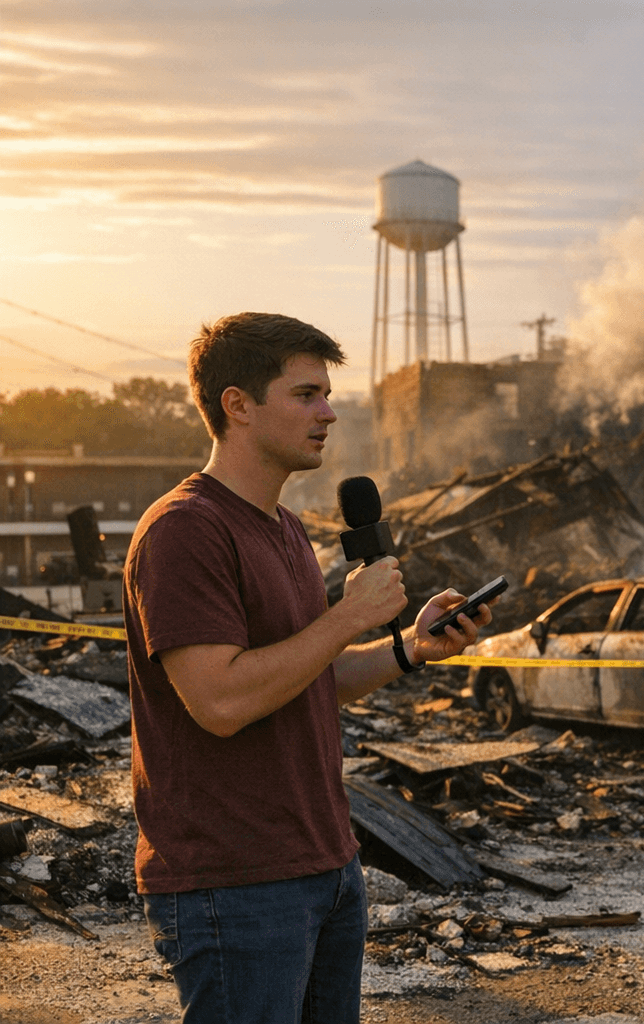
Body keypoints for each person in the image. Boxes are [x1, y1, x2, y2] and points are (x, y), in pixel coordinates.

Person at [124, 311, 494, 1023]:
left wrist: (408, 647)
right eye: (305, 395)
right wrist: (349, 616)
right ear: (237, 405)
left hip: (326, 864)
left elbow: (306, 678)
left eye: (327, 394)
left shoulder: (287, 528)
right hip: (235, 882)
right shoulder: (184, 531)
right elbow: (221, 702)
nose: (328, 413)